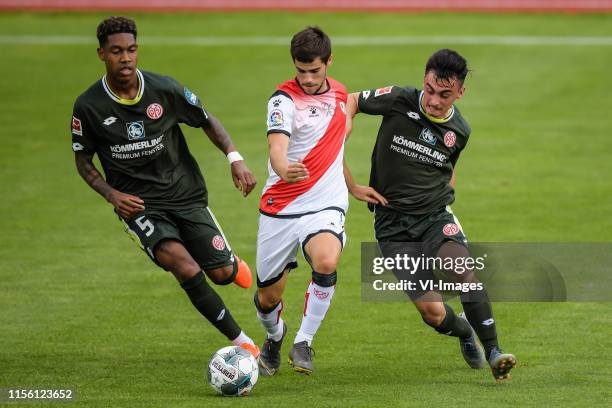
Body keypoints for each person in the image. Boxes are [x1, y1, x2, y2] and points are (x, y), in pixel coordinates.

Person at [70, 16, 259, 357]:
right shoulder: (88, 106)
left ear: (137, 50)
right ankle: (242, 342)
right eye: (116, 52)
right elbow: (83, 161)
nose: (125, 58)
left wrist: (235, 158)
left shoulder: (164, 90)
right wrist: (112, 195)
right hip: (140, 207)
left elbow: (206, 119)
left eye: (130, 50)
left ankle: (230, 262)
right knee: (184, 266)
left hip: (184, 194)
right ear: (101, 54)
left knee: (221, 273)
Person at [344, 49, 517, 382]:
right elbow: (351, 99)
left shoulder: (460, 131)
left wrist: (437, 196)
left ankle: (494, 352)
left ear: (461, 92)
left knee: (462, 270)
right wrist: (346, 127)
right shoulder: (398, 99)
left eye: (445, 94)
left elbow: (449, 169)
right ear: (423, 79)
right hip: (392, 227)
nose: (435, 100)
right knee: (433, 312)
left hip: (435, 217)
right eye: (430, 89)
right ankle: (465, 333)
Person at [255, 26, 368, 376]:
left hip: (324, 206)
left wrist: (350, 186)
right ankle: (275, 336)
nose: (306, 78)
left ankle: (303, 342)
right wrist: (283, 167)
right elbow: (277, 148)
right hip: (281, 208)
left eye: (314, 70)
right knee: (267, 299)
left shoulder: (339, 95)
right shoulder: (282, 101)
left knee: (327, 261)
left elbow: (336, 148)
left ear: (328, 62)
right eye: (300, 70)